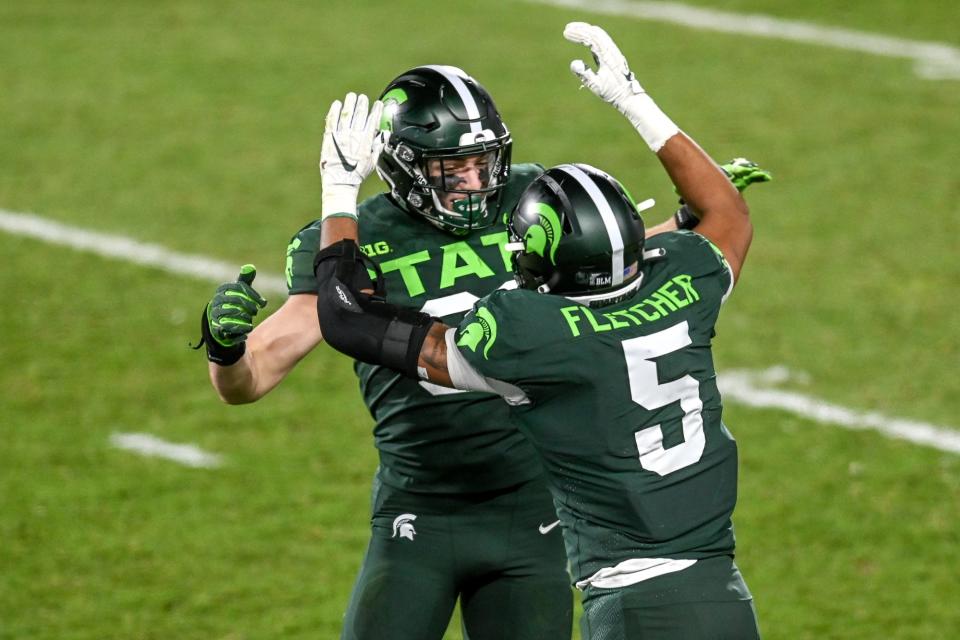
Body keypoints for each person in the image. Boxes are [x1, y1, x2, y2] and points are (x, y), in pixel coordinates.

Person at [313, 22, 765, 640]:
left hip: (633, 603)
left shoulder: (526, 336)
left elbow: (347, 316)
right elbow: (726, 213)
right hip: (721, 589)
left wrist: (338, 191)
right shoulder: (684, 280)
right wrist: (636, 102)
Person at [196, 65, 575, 639]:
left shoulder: (528, 197)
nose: (475, 183)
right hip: (420, 506)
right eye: (453, 169)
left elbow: (604, 268)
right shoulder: (360, 237)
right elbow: (252, 377)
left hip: (535, 508)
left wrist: (689, 217)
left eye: (484, 163)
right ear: (402, 166)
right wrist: (224, 351)